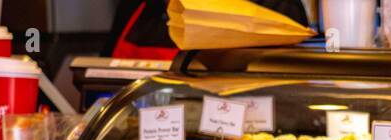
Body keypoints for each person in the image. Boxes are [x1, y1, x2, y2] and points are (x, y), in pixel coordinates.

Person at [106, 0, 310, 58]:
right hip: (140, 137)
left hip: (243, 135)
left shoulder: (278, 6)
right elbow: (99, 77)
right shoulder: (138, 6)